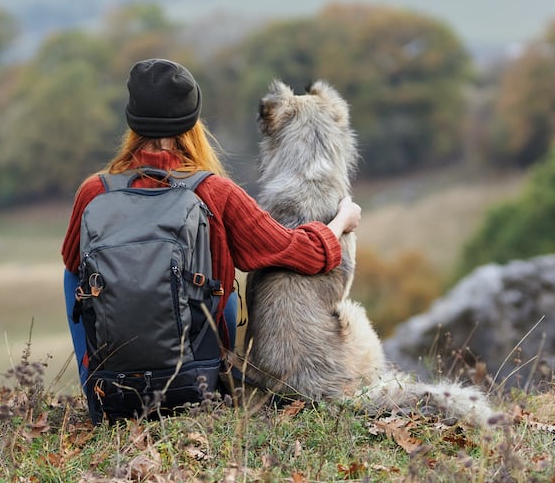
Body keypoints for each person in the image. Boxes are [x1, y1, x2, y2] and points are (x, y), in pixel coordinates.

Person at [61, 58, 362, 387]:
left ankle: (92, 379)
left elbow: (74, 263)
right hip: (196, 386)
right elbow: (302, 253)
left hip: (113, 391)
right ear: (192, 122)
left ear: (132, 121)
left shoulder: (94, 191)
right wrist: (342, 220)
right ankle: (216, 370)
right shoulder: (215, 191)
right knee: (223, 276)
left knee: (74, 273)